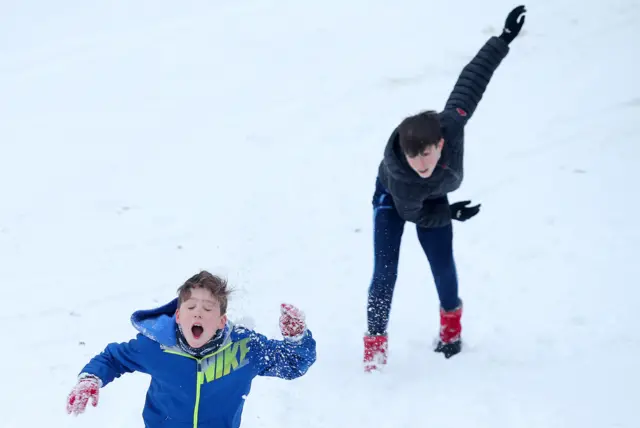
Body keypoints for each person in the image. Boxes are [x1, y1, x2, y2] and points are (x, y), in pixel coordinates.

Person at [364, 5, 527, 370]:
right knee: (386, 271)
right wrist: (449, 212)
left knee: (443, 265)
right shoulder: (405, 177)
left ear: (440, 144)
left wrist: (502, 39)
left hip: (432, 200)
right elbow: (415, 213)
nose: (419, 164)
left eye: (425, 155)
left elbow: (472, 80)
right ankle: (374, 345)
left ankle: (451, 333)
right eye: (412, 157)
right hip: (395, 201)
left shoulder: (451, 126)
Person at [66, 270, 316, 427]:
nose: (198, 313)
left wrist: (297, 338)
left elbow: (292, 364)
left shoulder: (245, 348)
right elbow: (113, 358)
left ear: (221, 321)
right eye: (191, 307)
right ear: (177, 315)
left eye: (208, 309)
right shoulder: (156, 346)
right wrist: (91, 377)